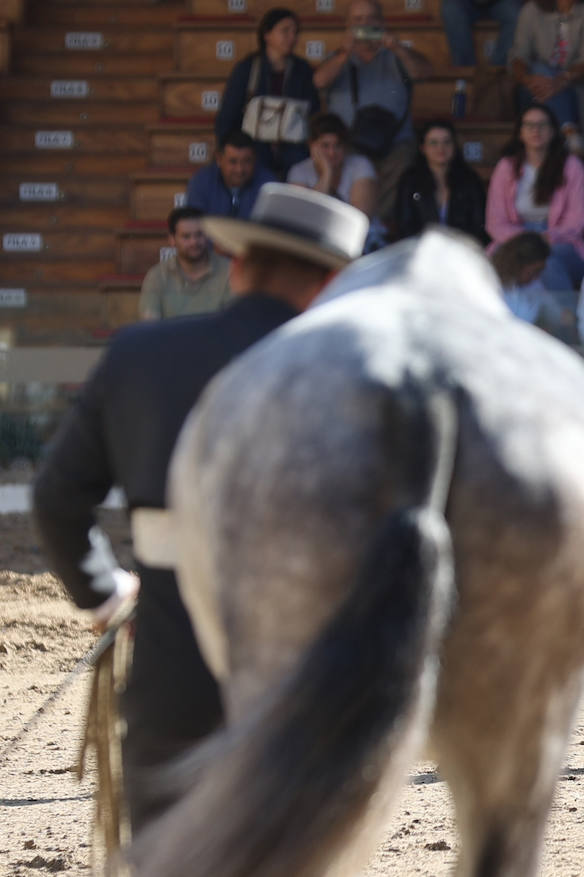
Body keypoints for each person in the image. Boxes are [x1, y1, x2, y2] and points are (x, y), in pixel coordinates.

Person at [32, 184, 369, 834]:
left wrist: (105, 593)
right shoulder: (358, 372)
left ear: (238, 268)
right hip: (306, 686)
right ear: (331, 285)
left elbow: (56, 500)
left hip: (170, 679)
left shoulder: (138, 355)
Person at [315, 0, 433, 223]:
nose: (365, 24)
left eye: (371, 18)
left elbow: (424, 73)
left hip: (395, 142)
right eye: (358, 20)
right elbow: (319, 81)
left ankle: (380, 228)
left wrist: (397, 47)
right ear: (348, 25)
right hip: (349, 142)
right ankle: (351, 225)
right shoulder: (338, 57)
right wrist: (344, 52)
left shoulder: (396, 55)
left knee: (404, 162)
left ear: (382, 22)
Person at [486, 103, 584, 297]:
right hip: (515, 237)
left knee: (546, 263)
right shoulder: (506, 167)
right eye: (529, 125)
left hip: (560, 240)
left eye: (542, 125)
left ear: (552, 131)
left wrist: (547, 238)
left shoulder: (571, 166)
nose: (536, 130)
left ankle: (562, 315)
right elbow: (495, 221)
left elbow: (577, 220)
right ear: (520, 133)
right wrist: (526, 240)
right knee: (497, 261)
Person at [212, 7, 320, 177]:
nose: (292, 37)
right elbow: (228, 115)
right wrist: (225, 150)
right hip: (253, 147)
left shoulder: (303, 69)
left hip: (294, 148)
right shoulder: (247, 68)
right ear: (267, 35)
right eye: (285, 31)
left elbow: (313, 111)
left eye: (295, 32)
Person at [508, 0, 584, 154]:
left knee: (542, 72)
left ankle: (565, 133)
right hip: (535, 89)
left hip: (577, 90)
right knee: (539, 69)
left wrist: (561, 80)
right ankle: (569, 132)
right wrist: (528, 79)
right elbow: (519, 55)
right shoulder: (531, 10)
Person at [391, 118, 488, 244]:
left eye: (447, 142)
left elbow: (478, 224)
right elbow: (405, 226)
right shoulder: (410, 181)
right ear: (423, 148)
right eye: (433, 143)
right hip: (421, 250)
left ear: (454, 146)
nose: (440, 148)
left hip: (462, 249)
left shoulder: (470, 180)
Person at [139, 206, 232, 321]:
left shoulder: (229, 271)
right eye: (186, 236)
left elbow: (235, 322)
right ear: (172, 239)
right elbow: (150, 325)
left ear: (207, 236)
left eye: (199, 234)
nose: (194, 242)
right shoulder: (157, 276)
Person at [286, 113, 378, 218]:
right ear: (311, 146)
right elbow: (304, 216)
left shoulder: (361, 164)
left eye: (337, 145)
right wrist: (327, 173)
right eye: (325, 146)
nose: (332, 153)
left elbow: (361, 217)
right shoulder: (298, 171)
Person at [184, 130, 278, 220]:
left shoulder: (269, 185)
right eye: (233, 162)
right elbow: (193, 224)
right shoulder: (201, 182)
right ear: (219, 159)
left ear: (255, 159)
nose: (239, 169)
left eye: (247, 161)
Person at [491, 230, 568, 332]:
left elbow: (556, 313)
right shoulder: (489, 286)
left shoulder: (535, 285)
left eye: (540, 271)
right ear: (518, 265)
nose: (537, 276)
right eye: (535, 271)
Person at [442, 0, 520, 68]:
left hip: (502, 2)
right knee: (450, 9)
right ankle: (465, 72)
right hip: (466, 3)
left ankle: (497, 70)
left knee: (515, 15)